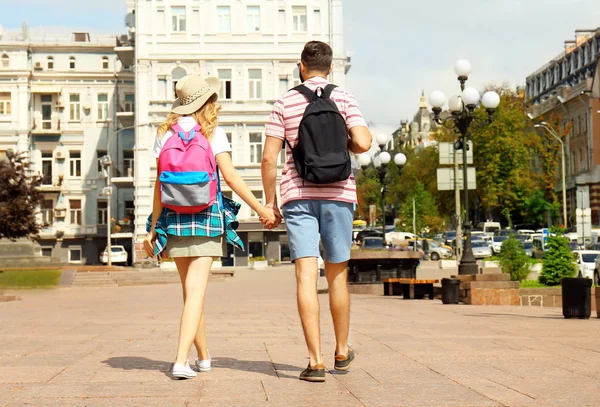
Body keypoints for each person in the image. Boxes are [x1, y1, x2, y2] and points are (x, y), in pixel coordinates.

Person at [144, 75, 277, 379]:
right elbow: (230, 178)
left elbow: (158, 185)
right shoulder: (214, 132)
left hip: (173, 219)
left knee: (190, 294)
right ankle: (180, 361)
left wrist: (153, 226)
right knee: (196, 293)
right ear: (207, 102)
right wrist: (260, 209)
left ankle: (203, 356)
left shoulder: (164, 133)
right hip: (207, 218)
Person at [261, 41, 372, 382]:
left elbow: (268, 158)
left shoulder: (285, 101)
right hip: (339, 194)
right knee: (338, 276)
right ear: (330, 67)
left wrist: (270, 201)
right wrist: (344, 143)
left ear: (301, 66)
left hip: (298, 195)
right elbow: (364, 143)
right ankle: (341, 351)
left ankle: (315, 361)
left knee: (306, 276)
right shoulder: (345, 98)